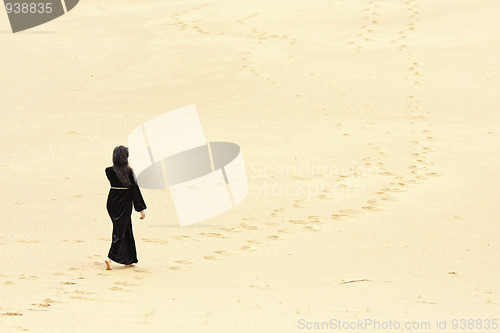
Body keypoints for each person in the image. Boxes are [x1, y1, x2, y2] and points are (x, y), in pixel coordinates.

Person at [104, 145, 146, 270]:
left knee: (125, 228)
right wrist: (141, 209)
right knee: (120, 231)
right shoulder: (129, 171)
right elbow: (135, 190)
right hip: (124, 203)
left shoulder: (109, 171)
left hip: (112, 202)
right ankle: (109, 257)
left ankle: (129, 259)